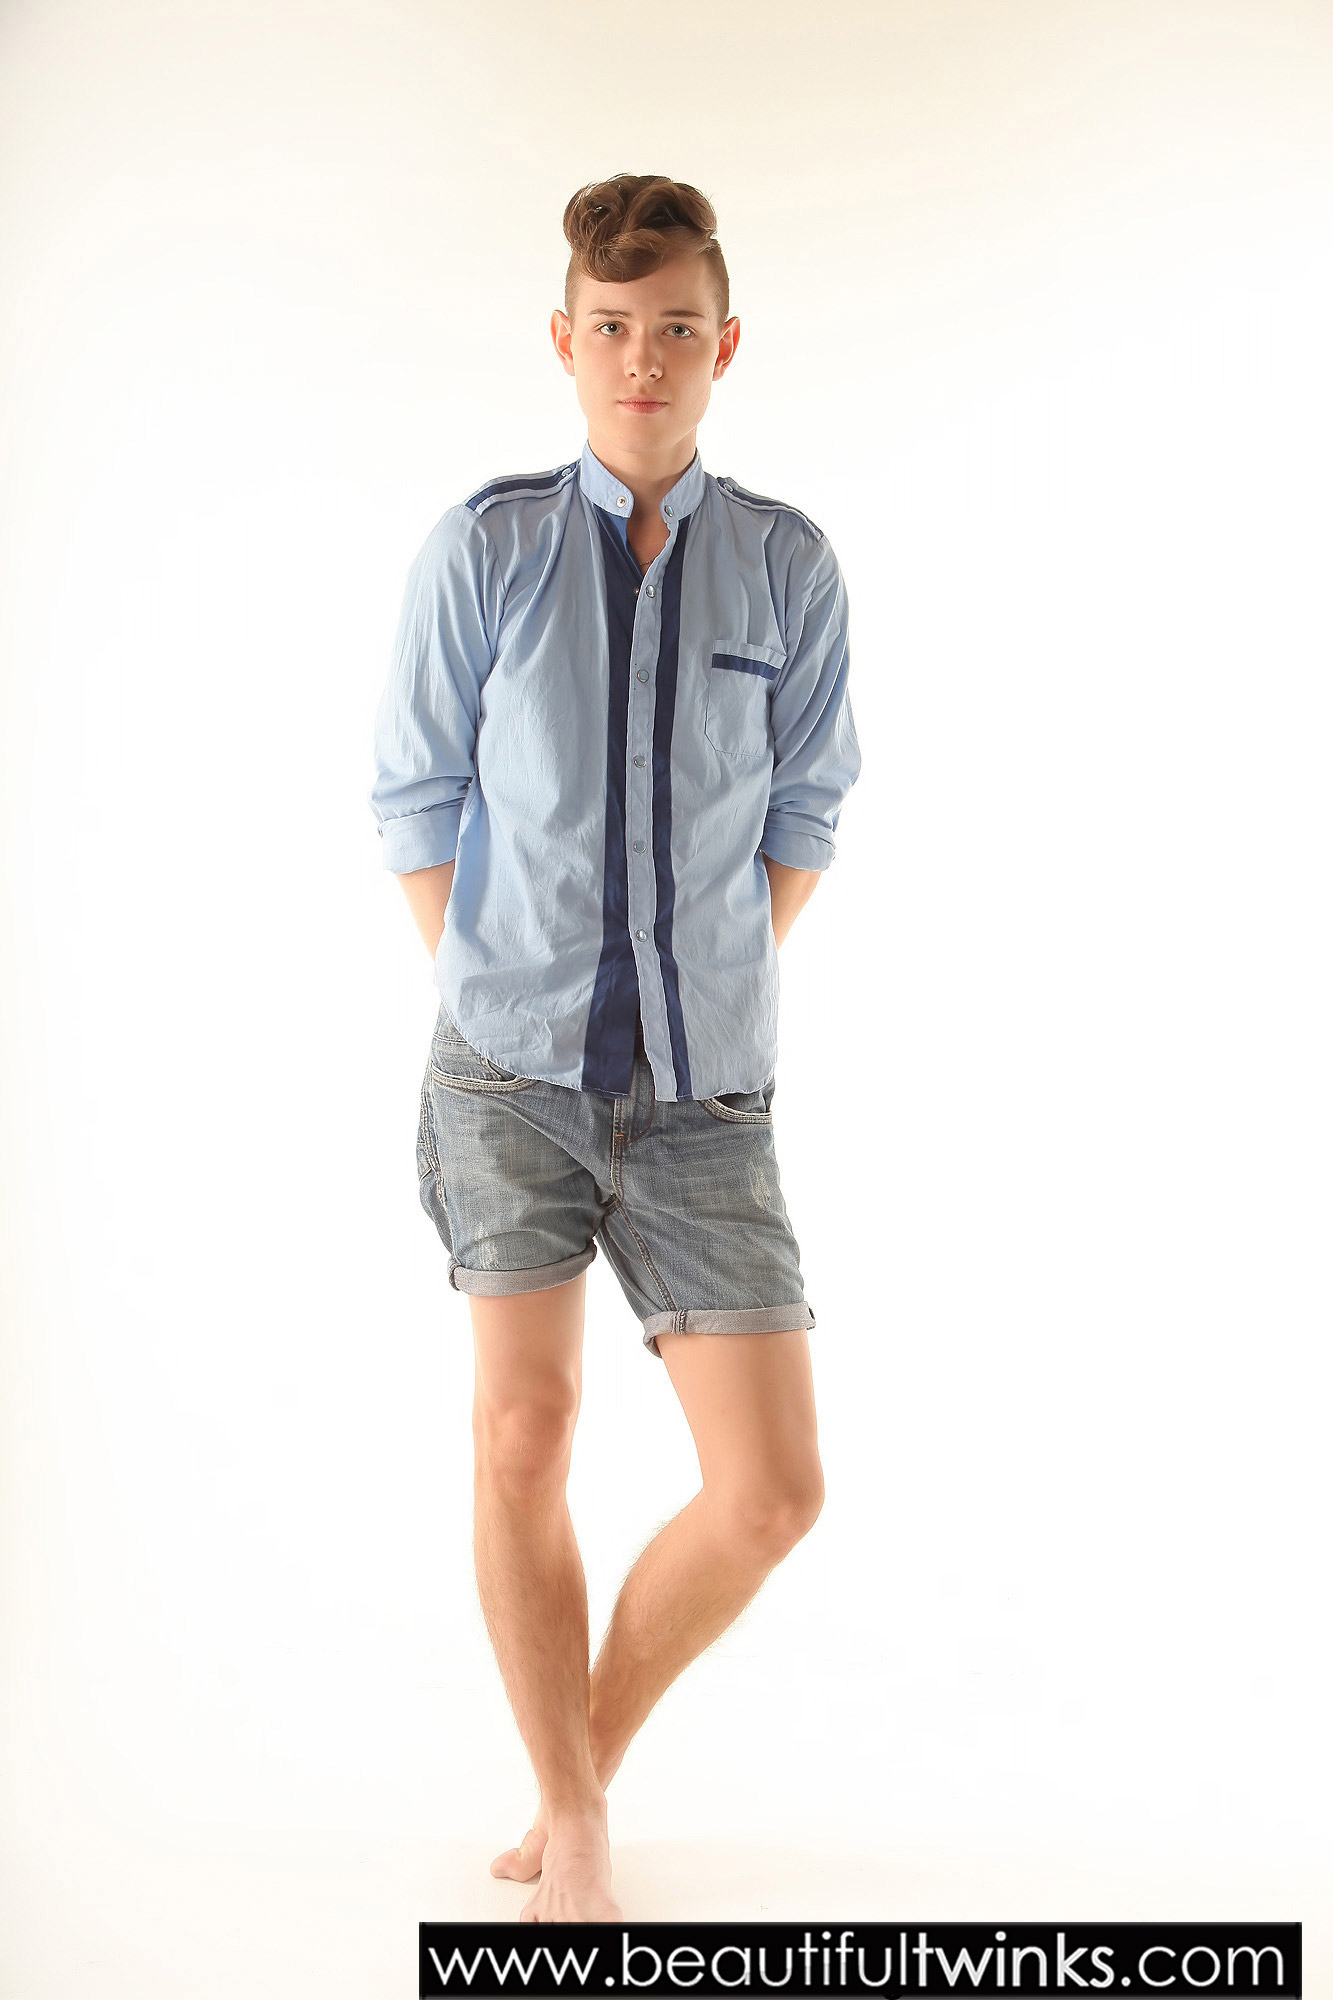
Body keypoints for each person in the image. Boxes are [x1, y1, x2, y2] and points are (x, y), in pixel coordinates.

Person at [369, 173, 861, 1922]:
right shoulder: (485, 551)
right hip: (503, 1081)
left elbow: (805, 809)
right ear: (563, 341)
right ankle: (575, 1825)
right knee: (526, 1430)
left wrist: (699, 982)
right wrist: (500, 985)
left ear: (722, 347)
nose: (641, 358)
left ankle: (576, 1758)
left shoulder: (786, 564)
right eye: (610, 327)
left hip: (704, 1093)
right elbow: (413, 795)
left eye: (674, 330)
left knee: (770, 1490)